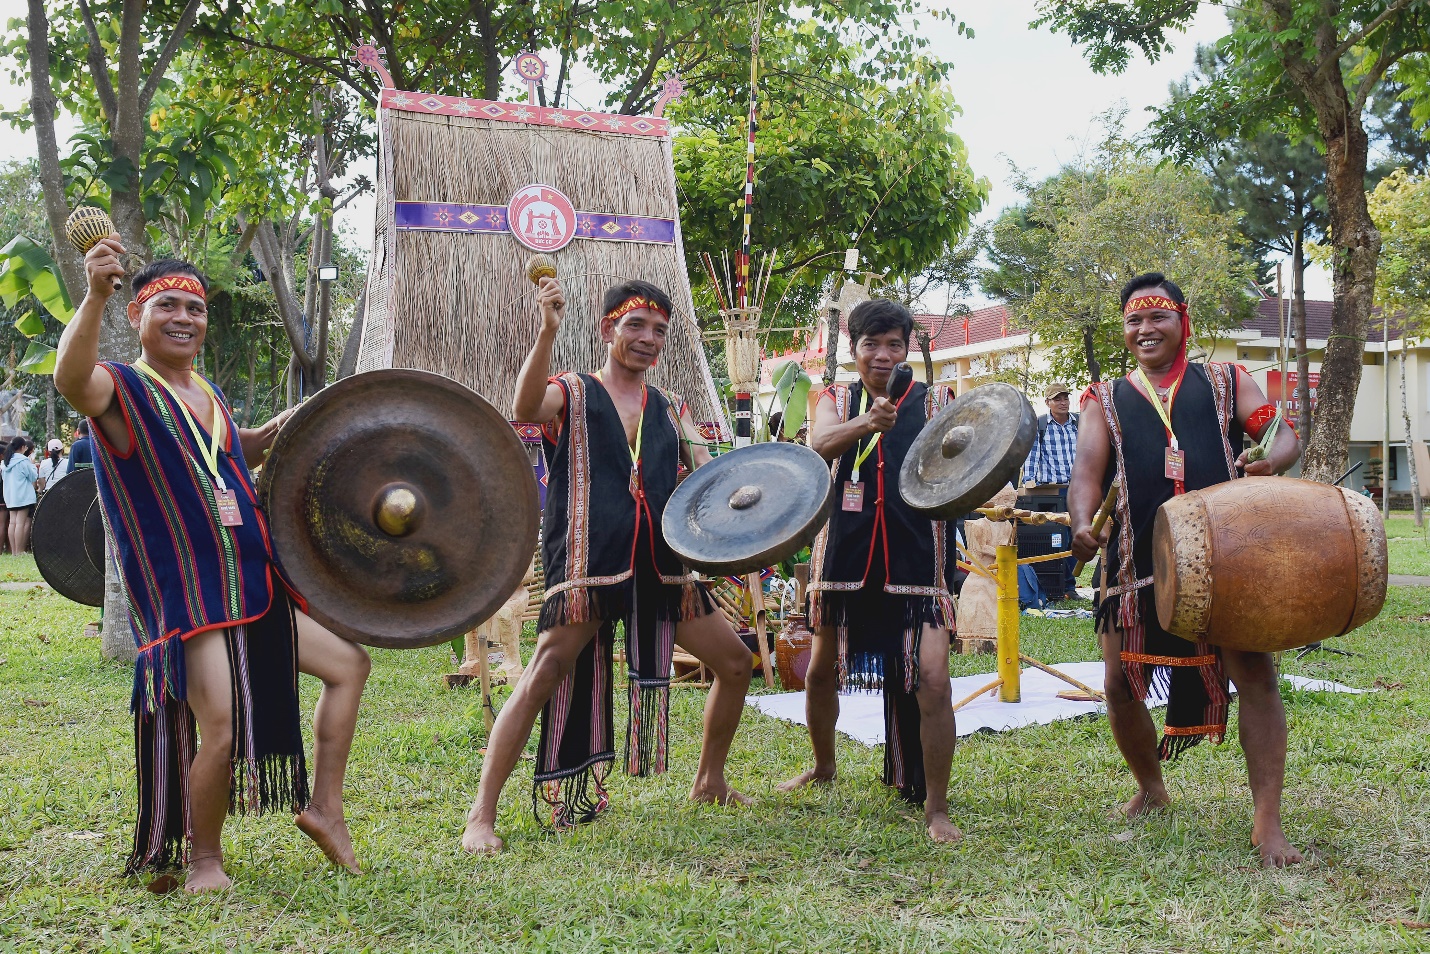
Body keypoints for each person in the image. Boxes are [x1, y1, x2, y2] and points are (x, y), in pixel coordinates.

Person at [54, 238, 372, 892]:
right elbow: (69, 382)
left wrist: (280, 429)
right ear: (139, 315)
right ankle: (204, 861)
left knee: (349, 665)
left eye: (195, 308)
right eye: (166, 304)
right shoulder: (121, 387)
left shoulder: (207, 391)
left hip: (252, 580)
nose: (184, 317)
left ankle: (325, 810)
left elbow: (232, 454)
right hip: (192, 595)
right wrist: (93, 296)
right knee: (219, 725)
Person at [461, 277, 753, 853]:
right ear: (607, 330)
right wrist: (546, 329)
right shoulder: (572, 390)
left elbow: (703, 474)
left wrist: (742, 496)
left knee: (737, 662)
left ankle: (710, 779)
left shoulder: (670, 408)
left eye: (659, 331)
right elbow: (524, 408)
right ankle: (480, 816)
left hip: (661, 566)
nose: (648, 339)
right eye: (636, 326)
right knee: (544, 674)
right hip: (589, 561)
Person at [1068, 272, 1303, 868]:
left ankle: (1267, 822)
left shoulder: (1225, 380)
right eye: (1132, 321)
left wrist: (1268, 460)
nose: (1144, 329)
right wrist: (1079, 524)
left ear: (1182, 318)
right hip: (1135, 562)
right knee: (1120, 684)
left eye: (1156, 317)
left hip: (1228, 558)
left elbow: (1282, 435)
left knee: (1254, 674)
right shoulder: (1103, 397)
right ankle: (1151, 788)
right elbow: (1086, 476)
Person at [778, 299, 962, 843]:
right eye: (871, 345)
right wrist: (867, 421)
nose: (883, 356)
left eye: (894, 345)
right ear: (854, 349)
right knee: (819, 670)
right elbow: (819, 444)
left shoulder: (938, 402)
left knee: (932, 678)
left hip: (917, 558)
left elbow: (967, 459)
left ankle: (936, 806)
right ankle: (824, 765)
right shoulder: (833, 397)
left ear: (908, 348)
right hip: (847, 554)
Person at [1022, 382, 1080, 595]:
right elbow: (1031, 455)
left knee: (1077, 536)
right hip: (1051, 493)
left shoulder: (1079, 423)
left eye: (1065, 398)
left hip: (1077, 490)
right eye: (1057, 399)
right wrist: (1028, 483)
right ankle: (1060, 585)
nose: (1062, 402)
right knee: (1058, 538)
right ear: (1048, 402)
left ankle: (1070, 584)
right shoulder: (1040, 425)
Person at [2, 436, 38, 553]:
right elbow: (33, 476)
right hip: (23, 496)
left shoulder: (5, 462)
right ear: (22, 447)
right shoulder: (23, 461)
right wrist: (32, 465)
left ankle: (13, 551)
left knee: (12, 523)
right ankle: (19, 551)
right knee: (20, 523)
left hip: (10, 496)